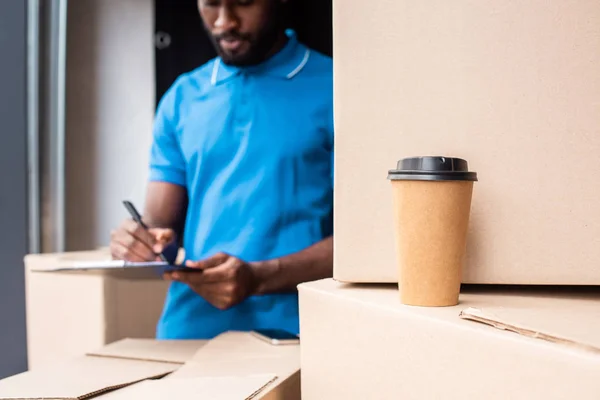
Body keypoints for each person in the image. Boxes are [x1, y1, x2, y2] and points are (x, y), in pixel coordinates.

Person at [109, 0, 333, 339]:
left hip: (299, 335)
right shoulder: (182, 97)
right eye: (211, 3)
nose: (224, 22)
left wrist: (260, 277)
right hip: (189, 332)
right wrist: (139, 242)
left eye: (243, 3)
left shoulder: (337, 87)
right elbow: (159, 229)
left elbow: (370, 242)